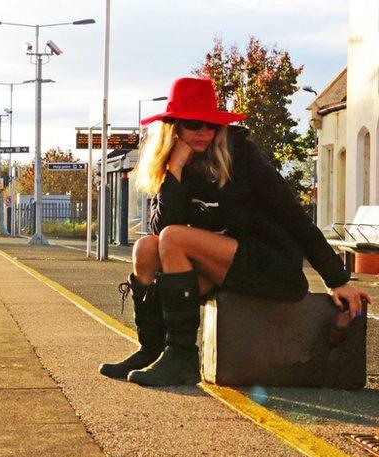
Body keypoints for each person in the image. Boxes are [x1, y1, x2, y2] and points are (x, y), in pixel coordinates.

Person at [99, 77, 372, 386]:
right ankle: (151, 350)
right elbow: (160, 232)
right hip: (227, 265)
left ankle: (182, 356)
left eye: (210, 124)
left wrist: (337, 280)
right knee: (144, 249)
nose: (203, 132)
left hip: (269, 263)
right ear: (174, 127)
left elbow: (294, 216)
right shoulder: (178, 166)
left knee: (174, 238)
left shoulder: (242, 157)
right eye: (193, 124)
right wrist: (173, 171)